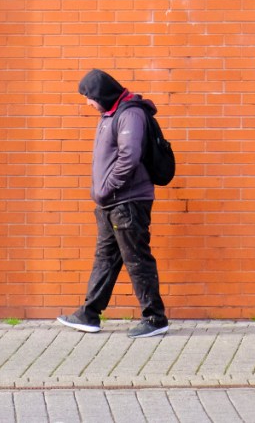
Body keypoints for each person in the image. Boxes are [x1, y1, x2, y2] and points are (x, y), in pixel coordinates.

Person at [57, 69, 169, 339]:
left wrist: (106, 188)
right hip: (112, 203)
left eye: (89, 97)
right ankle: (89, 313)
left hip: (128, 202)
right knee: (106, 258)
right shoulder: (109, 115)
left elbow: (129, 158)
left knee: (137, 259)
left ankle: (155, 318)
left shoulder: (130, 114)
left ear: (102, 94)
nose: (88, 103)